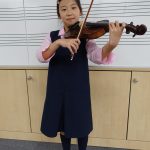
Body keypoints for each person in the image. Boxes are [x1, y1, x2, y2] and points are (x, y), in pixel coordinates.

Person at [37, 0, 125, 149]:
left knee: (81, 124)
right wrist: (59, 43)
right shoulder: (53, 36)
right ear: (59, 14)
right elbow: (41, 57)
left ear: (80, 11)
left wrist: (111, 45)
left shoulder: (85, 37)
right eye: (63, 9)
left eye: (73, 7)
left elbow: (97, 57)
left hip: (79, 88)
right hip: (58, 89)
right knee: (64, 125)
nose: (69, 12)